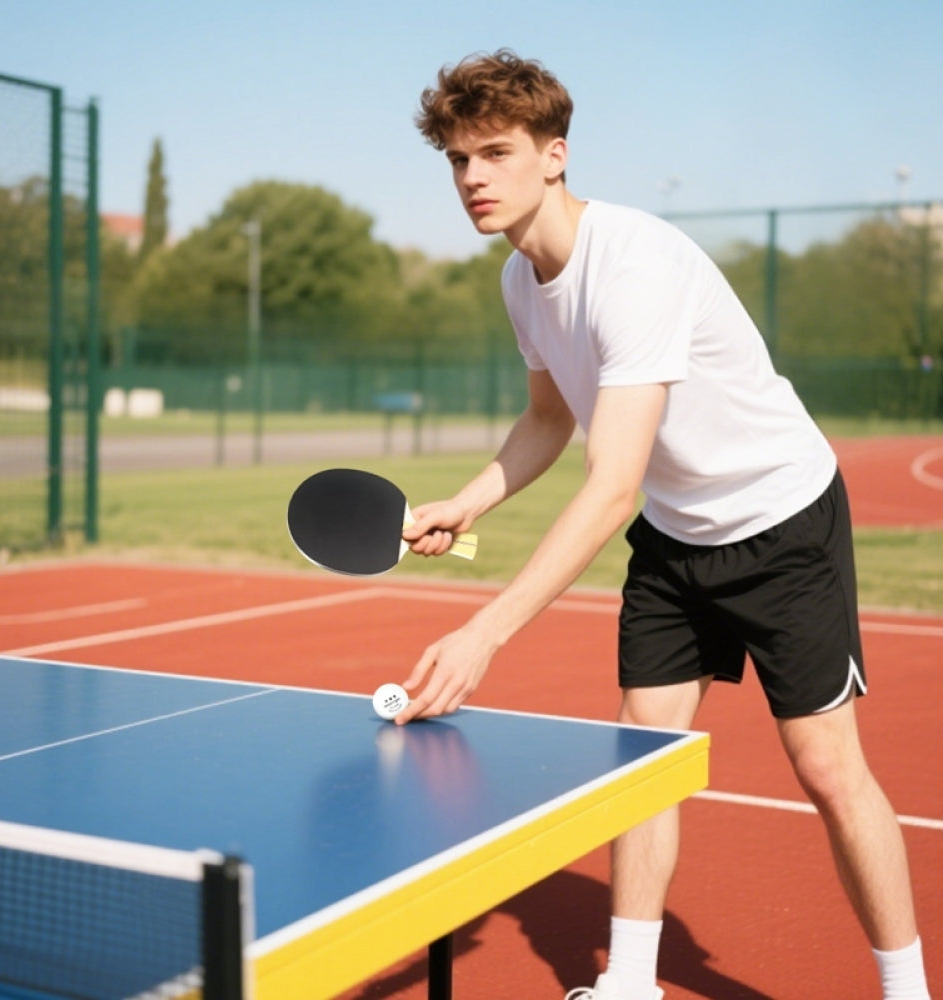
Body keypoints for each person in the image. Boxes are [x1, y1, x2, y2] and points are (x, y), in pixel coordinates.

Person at [393, 50, 932, 1000]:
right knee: (643, 757)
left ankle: (904, 989)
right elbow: (551, 417)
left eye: (495, 153)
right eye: (456, 159)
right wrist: (466, 502)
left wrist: (486, 631)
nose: (473, 177)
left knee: (825, 767)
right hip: (679, 536)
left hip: (780, 517)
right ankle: (631, 984)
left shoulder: (631, 264)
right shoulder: (522, 280)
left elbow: (610, 486)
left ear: (554, 156)